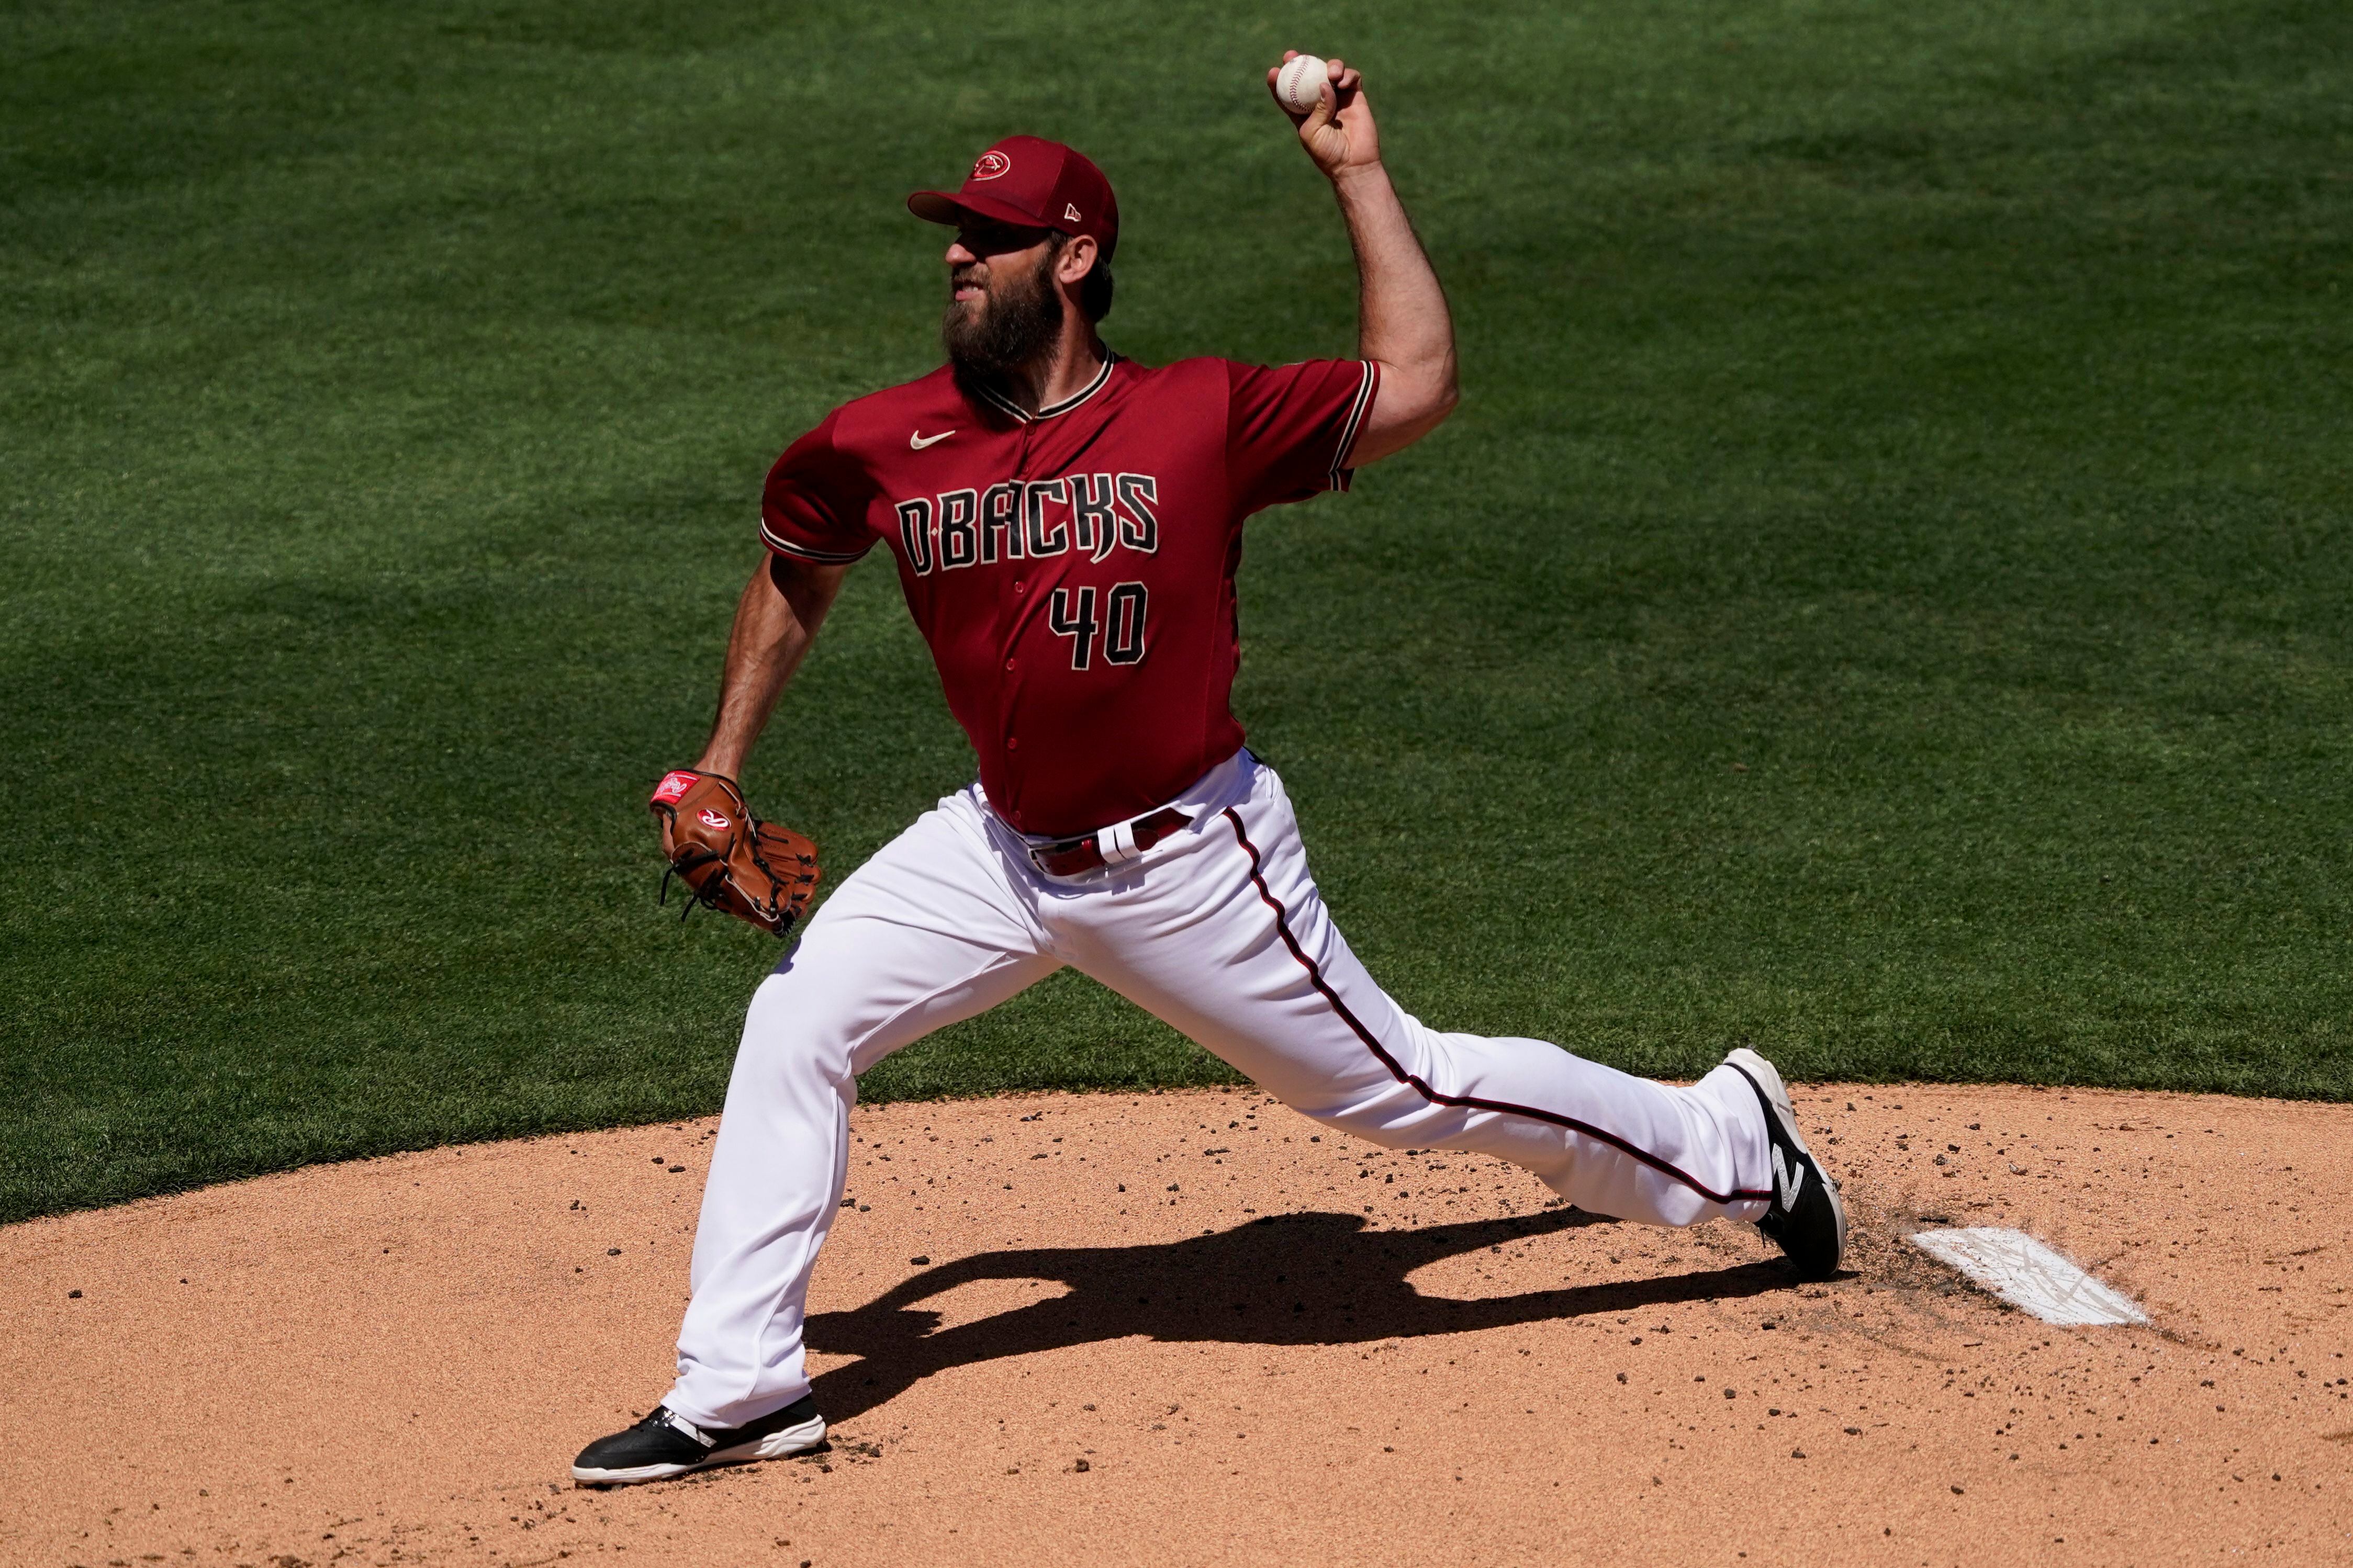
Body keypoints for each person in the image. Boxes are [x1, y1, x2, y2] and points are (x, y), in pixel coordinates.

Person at [571, 53, 1845, 1487]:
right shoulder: (886, 439)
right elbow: (798, 562)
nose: (956, 252)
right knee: (797, 1024)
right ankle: (741, 1388)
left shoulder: (1200, 412)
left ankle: (1733, 1141)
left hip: (1189, 862)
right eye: (954, 231)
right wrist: (719, 761)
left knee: (1410, 1091)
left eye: (988, 236)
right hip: (995, 849)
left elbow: (1417, 382)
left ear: (1075, 255)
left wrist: (1355, 172)